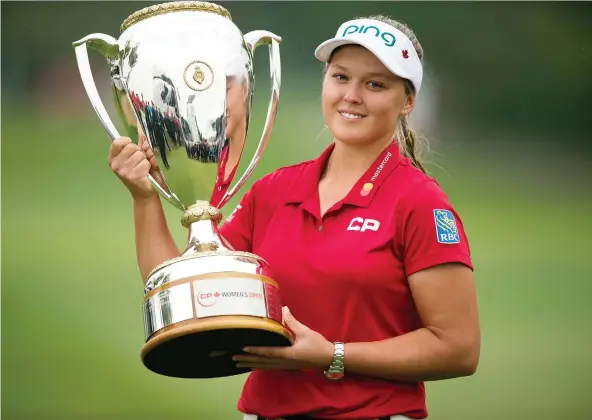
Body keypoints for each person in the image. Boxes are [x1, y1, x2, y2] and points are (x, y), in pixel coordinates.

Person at [108, 14, 480, 420]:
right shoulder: (274, 192)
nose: (352, 95)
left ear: (408, 101)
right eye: (341, 77)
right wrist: (144, 199)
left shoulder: (420, 203)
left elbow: (458, 348)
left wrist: (332, 356)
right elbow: (182, 293)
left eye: (375, 84)